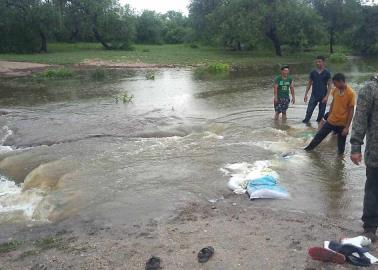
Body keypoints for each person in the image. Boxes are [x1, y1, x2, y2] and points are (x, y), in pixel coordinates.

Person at [350, 75, 378, 242]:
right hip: (376, 153)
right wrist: (355, 147)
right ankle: (370, 227)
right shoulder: (370, 88)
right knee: (373, 190)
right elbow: (359, 119)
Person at [304, 73, 356, 154]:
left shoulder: (351, 93)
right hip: (331, 120)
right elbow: (333, 102)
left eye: (335, 83)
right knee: (318, 137)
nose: (334, 85)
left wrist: (347, 127)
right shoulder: (335, 90)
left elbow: (351, 111)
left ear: (341, 81)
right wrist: (329, 115)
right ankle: (307, 151)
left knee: (341, 148)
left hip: (342, 124)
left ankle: (340, 163)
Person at [303, 56, 332, 124]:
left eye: (319, 62)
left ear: (323, 62)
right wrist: (306, 94)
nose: (318, 63)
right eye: (316, 62)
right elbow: (309, 83)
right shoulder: (313, 72)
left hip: (323, 95)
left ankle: (317, 129)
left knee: (321, 115)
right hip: (314, 95)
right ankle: (306, 126)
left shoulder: (327, 72)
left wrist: (327, 96)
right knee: (309, 112)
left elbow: (330, 85)